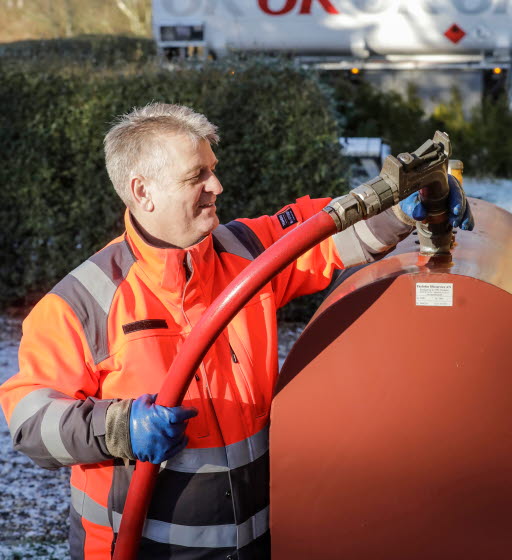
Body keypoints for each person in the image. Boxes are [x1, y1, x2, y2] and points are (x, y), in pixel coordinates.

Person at [0, 103, 473, 560]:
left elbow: (321, 234)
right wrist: (117, 427)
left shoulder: (244, 253)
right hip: (143, 549)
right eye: (197, 176)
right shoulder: (82, 302)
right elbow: (29, 421)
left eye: (212, 168)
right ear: (142, 192)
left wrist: (403, 206)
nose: (217, 186)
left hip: (253, 540)